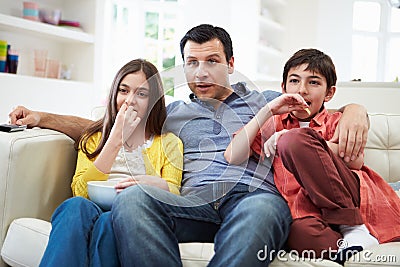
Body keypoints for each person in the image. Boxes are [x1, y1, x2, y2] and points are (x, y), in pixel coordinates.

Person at [9, 24, 369, 266]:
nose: (201, 72)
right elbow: (104, 125)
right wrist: (42, 118)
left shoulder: (268, 99)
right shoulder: (172, 113)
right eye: (192, 63)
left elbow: (321, 112)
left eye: (212, 62)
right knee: (133, 199)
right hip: (190, 203)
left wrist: (356, 110)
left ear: (230, 63)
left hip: (252, 198)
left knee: (261, 209)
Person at [224, 48, 400, 263]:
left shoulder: (337, 120)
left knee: (293, 140)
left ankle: (352, 226)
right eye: (294, 81)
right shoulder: (273, 125)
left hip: (348, 195)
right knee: (299, 233)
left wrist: (289, 137)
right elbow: (233, 155)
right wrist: (268, 111)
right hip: (307, 208)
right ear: (283, 87)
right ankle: (348, 244)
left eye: (314, 82)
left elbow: (355, 160)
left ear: (329, 93)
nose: (302, 90)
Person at [39, 59, 183, 267]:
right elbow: (80, 191)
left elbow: (174, 193)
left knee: (110, 222)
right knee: (73, 206)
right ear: (114, 93)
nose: (130, 100)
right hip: (91, 205)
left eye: (141, 94)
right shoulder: (93, 137)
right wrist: (115, 138)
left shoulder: (169, 143)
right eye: (124, 91)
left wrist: (151, 183)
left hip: (133, 212)